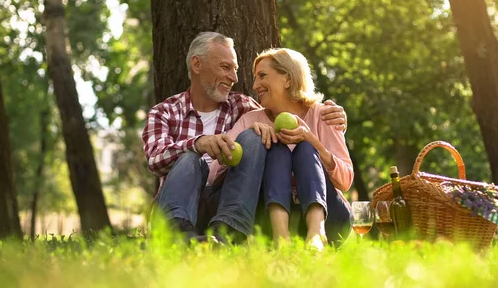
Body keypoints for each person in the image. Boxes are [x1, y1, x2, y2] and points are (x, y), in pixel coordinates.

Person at [142, 32, 347, 244]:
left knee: (256, 137)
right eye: (225, 67)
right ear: (197, 64)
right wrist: (197, 144)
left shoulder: (244, 107)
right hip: (181, 205)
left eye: (236, 69)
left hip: (223, 205)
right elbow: (155, 161)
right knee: (189, 158)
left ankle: (226, 234)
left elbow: (281, 114)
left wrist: (335, 121)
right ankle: (177, 236)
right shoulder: (164, 112)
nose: (235, 78)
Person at [208, 48, 353, 249]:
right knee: (277, 149)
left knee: (304, 148)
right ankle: (281, 239)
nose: (255, 85)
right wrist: (248, 141)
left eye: (262, 76)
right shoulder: (250, 120)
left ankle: (317, 234)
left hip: (331, 220)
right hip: (267, 222)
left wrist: (313, 141)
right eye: (255, 77)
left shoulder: (324, 115)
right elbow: (213, 174)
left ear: (287, 79)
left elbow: (345, 181)